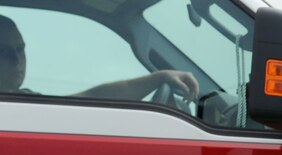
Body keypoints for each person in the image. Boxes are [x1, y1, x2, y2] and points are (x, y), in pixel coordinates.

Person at [0, 14, 197, 100]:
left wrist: (159, 78)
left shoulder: (25, 100)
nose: (17, 60)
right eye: (4, 52)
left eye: (20, 49)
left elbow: (85, 101)